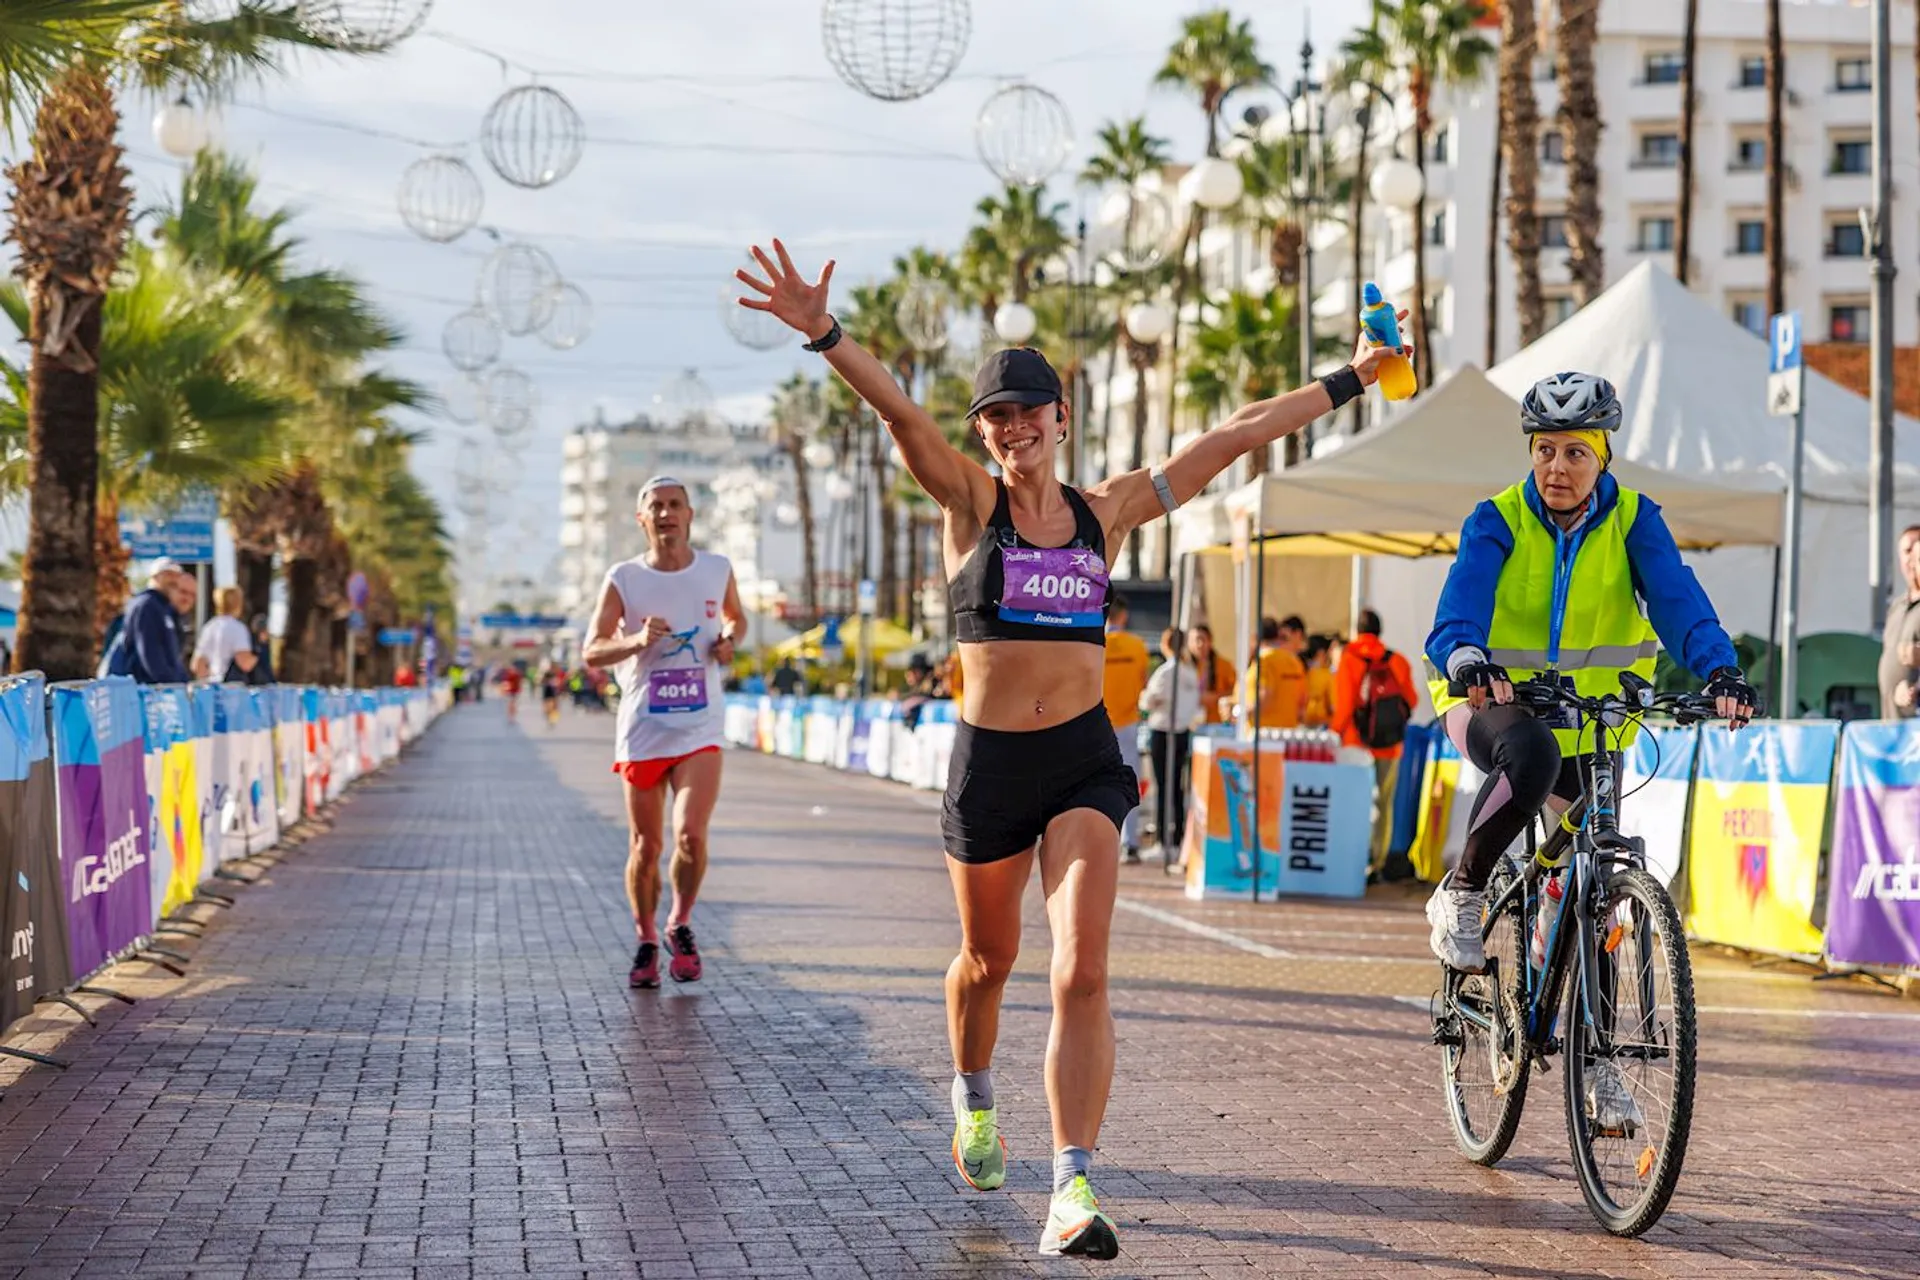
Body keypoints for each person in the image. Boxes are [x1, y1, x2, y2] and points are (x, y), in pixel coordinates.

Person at [737, 236, 1407, 1259]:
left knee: (1082, 970)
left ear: (1062, 417)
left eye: (1027, 411)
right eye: (995, 416)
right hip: (990, 769)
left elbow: (1233, 435)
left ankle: (1072, 1185)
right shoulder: (972, 503)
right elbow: (901, 416)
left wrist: (1355, 374)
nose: (1011, 429)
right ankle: (972, 1096)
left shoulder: (1110, 512)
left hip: (1087, 765)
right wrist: (825, 333)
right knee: (985, 959)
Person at [1423, 371, 1756, 1136]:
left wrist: (1720, 670)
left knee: (1598, 886)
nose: (1558, 467)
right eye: (1545, 449)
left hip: (1598, 722)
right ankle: (1465, 890)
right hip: (1491, 707)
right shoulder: (1497, 518)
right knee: (1530, 759)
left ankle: (1602, 1068)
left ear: (1603, 456)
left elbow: (1677, 600)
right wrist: (1470, 658)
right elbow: (1459, 608)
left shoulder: (1635, 519)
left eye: (1576, 450)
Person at [584, 475, 744, 991]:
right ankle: (647, 937)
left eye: (675, 505)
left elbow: (737, 619)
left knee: (690, 836)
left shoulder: (717, 569)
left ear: (690, 514)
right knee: (645, 846)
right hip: (644, 728)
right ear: (642, 518)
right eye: (656, 506)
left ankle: (680, 921)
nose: (666, 513)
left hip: (700, 726)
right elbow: (591, 650)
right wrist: (634, 641)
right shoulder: (624, 578)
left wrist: (728, 641)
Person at [1331, 609, 1417, 878]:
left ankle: (1351, 855)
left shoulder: (1349, 658)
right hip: (1390, 745)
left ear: (1357, 631)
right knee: (1383, 804)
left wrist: (1335, 733)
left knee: (1353, 801)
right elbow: (1411, 701)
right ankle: (1377, 862)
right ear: (1379, 631)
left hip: (1355, 745)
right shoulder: (1397, 661)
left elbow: (1344, 704)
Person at [1141, 627, 1200, 864]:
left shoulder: (1166, 672)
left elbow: (1148, 701)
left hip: (1164, 731)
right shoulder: (1190, 672)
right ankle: (1176, 839)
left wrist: (1147, 698)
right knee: (1176, 788)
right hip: (1182, 732)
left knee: (1164, 786)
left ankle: (1164, 842)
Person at [1102, 594, 1151, 864]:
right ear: (1124, 616)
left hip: (1098, 721)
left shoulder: (1096, 643)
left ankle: (1100, 843)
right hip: (1128, 723)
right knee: (1129, 782)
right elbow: (1144, 682)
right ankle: (1130, 842)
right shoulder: (1137, 646)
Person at [106, 559, 196, 685]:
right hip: (141, 689)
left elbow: (173, 659)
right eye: (168, 574)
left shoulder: (165, 609)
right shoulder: (146, 605)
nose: (173, 580)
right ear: (155, 576)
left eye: (176, 576)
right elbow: (150, 653)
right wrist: (170, 684)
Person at [1878, 524, 1920, 718]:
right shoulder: (1897, 606)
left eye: (1917, 552)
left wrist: (1916, 688)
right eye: (1907, 551)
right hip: (1892, 722)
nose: (1911, 560)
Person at [1241, 616, 1306, 729]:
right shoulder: (1295, 662)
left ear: (1255, 638)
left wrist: (1238, 712)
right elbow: (1303, 701)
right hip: (1288, 733)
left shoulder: (1264, 661)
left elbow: (1265, 699)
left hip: (1262, 734)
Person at [192, 586, 257, 683]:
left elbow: (197, 665)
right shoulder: (238, 628)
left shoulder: (209, 627)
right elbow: (244, 663)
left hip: (212, 686)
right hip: (232, 689)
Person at [1187, 623, 1235, 724]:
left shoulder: (1225, 665)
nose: (1199, 644)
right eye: (1194, 640)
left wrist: (1215, 697)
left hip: (1216, 721)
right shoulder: (1185, 666)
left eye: (1202, 639)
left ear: (1210, 641)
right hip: (1189, 721)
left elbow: (1235, 691)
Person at [1301, 635, 1335, 729]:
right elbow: (1332, 706)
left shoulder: (1300, 670)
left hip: (1300, 722)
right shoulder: (1326, 674)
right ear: (1321, 653)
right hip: (1321, 725)